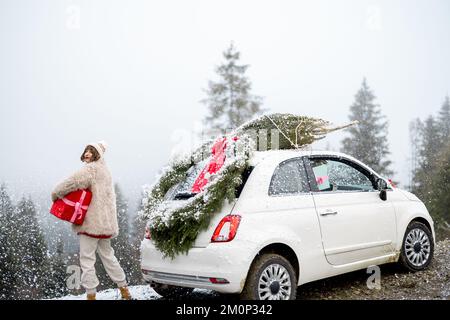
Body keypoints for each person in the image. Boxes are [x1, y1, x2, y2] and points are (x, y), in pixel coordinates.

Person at [51, 141, 131, 300]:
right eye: (86, 150)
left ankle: (91, 296)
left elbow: (71, 182)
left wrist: (55, 193)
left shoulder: (90, 169)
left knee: (87, 260)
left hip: (91, 224)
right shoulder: (106, 171)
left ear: (97, 154)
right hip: (105, 225)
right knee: (109, 257)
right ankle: (124, 290)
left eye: (91, 151)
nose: (87, 153)